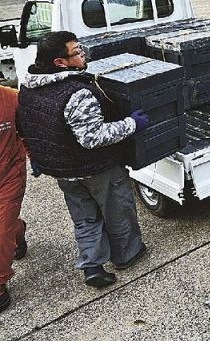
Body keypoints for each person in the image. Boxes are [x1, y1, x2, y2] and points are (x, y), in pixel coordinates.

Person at [16, 31, 150, 288]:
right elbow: (92, 137)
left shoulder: (29, 88)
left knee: (85, 218)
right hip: (97, 168)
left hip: (63, 171)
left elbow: (27, 126)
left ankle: (92, 265)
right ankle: (127, 255)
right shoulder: (76, 93)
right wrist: (132, 124)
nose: (83, 54)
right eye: (77, 52)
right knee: (118, 212)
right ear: (60, 63)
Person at [0, 86, 27, 312]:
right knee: (7, 227)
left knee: (1, 230)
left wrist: (37, 157)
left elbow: (28, 131)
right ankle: (18, 231)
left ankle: (0, 284)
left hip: (9, 174)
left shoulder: (11, 99)